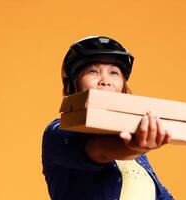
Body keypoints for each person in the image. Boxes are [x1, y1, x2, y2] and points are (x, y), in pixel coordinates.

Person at [42, 36, 174, 200]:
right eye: (93, 71)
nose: (105, 81)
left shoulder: (137, 155)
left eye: (114, 73)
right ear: (74, 84)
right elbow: (99, 151)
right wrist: (135, 147)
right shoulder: (58, 132)